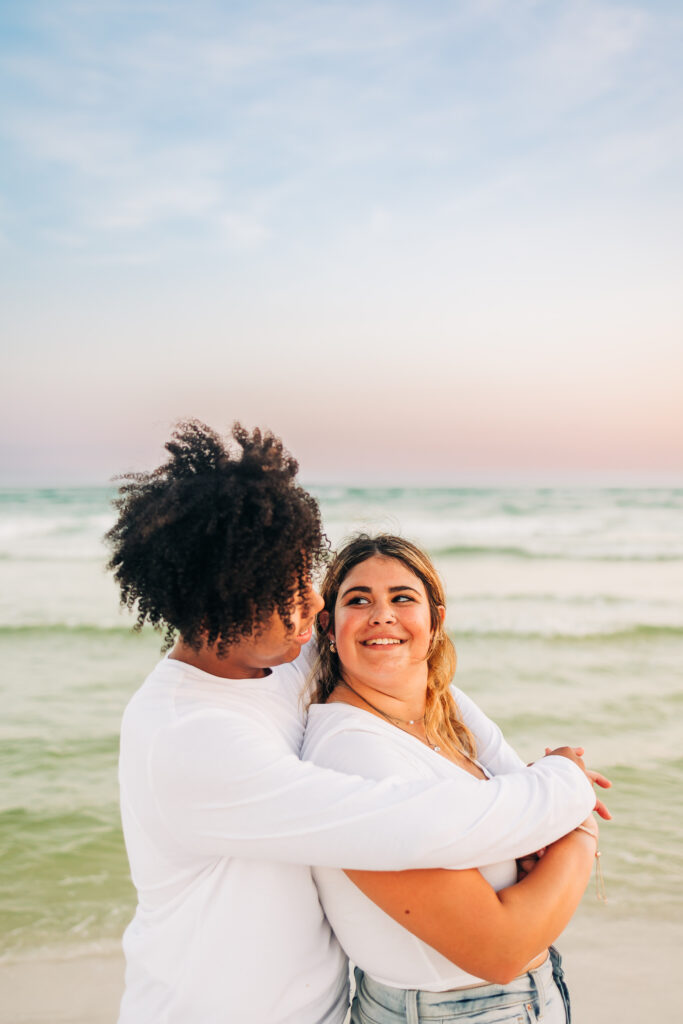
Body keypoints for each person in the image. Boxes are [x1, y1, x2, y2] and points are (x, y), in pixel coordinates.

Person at [108, 421, 605, 1024]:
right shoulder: (192, 741)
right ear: (222, 608)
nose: (316, 606)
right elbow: (413, 825)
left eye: (307, 578)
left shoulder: (276, 659)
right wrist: (563, 789)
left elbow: (418, 679)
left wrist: (505, 768)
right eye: (290, 592)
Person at [304, 533, 606, 1024]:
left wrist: (556, 815)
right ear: (329, 626)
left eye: (403, 598)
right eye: (358, 600)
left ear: (435, 620)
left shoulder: (445, 712)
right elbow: (500, 950)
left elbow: (528, 816)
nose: (382, 614)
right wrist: (581, 825)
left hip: (532, 994)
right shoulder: (350, 754)